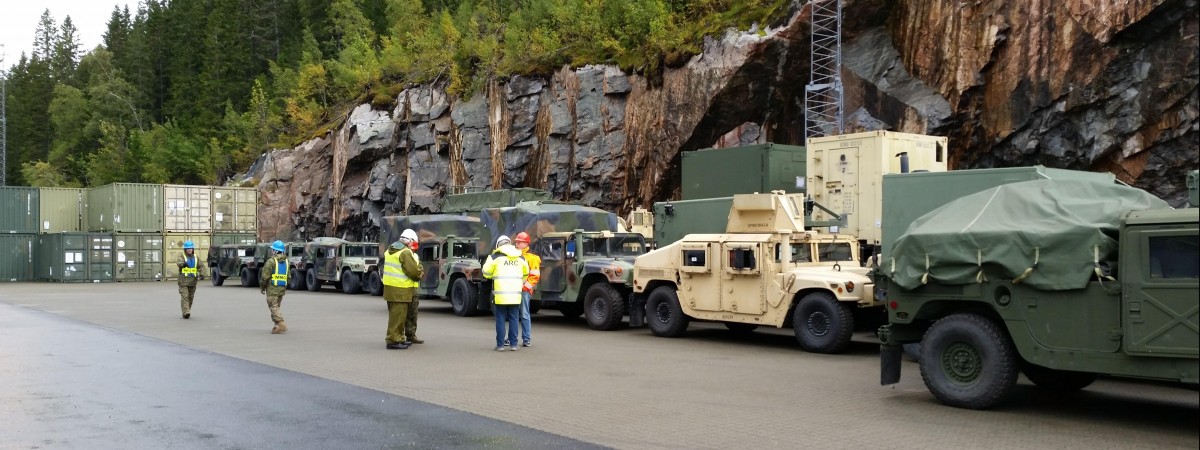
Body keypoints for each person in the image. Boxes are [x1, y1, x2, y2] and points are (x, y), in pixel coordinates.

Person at [482, 235, 528, 352]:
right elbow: (526, 273)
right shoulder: (520, 257)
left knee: (500, 318)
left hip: (500, 294)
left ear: (498, 245)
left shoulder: (494, 257)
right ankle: (514, 344)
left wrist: (493, 275)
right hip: (515, 294)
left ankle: (500, 345)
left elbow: (486, 272)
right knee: (514, 318)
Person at [382, 229, 423, 350]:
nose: (413, 245)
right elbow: (413, 272)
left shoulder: (391, 250)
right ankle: (393, 340)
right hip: (400, 289)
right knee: (398, 317)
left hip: (391, 288)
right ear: (409, 241)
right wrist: (419, 273)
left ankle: (399, 338)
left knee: (397, 316)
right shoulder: (405, 252)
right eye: (413, 242)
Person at [513, 232, 540, 347]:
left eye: (519, 242)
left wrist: (525, 288)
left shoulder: (532, 259)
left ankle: (526, 338)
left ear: (526, 244)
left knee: (524, 314)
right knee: (513, 315)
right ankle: (513, 338)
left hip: (523, 291)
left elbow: (535, 276)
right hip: (514, 290)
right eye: (516, 242)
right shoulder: (513, 256)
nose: (517, 244)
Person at [258, 240, 290, 334]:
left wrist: (262, 287)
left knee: (273, 306)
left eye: (273, 250)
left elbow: (265, 277)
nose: (272, 251)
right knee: (277, 306)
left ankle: (281, 324)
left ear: (275, 251)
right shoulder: (286, 261)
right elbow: (288, 276)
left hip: (272, 288)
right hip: (281, 288)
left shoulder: (271, 261)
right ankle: (277, 326)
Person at [176, 240, 208, 319]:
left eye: (191, 248)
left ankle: (187, 310)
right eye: (188, 248)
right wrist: (183, 264)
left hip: (193, 282)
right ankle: (186, 312)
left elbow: (202, 266)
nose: (190, 250)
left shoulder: (196, 257)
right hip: (183, 281)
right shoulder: (182, 256)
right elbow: (179, 263)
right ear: (185, 249)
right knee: (185, 296)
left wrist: (202, 274)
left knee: (191, 297)